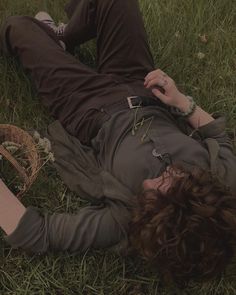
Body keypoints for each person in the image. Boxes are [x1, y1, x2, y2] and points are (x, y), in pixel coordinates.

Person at [1, 0, 236, 284]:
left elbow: (36, 233)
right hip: (142, 84)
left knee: (19, 27)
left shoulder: (122, 219)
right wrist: (182, 103)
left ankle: (51, 41)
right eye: (171, 178)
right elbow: (216, 134)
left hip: (87, 105)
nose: (153, 180)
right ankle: (62, 38)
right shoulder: (221, 182)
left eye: (154, 193)